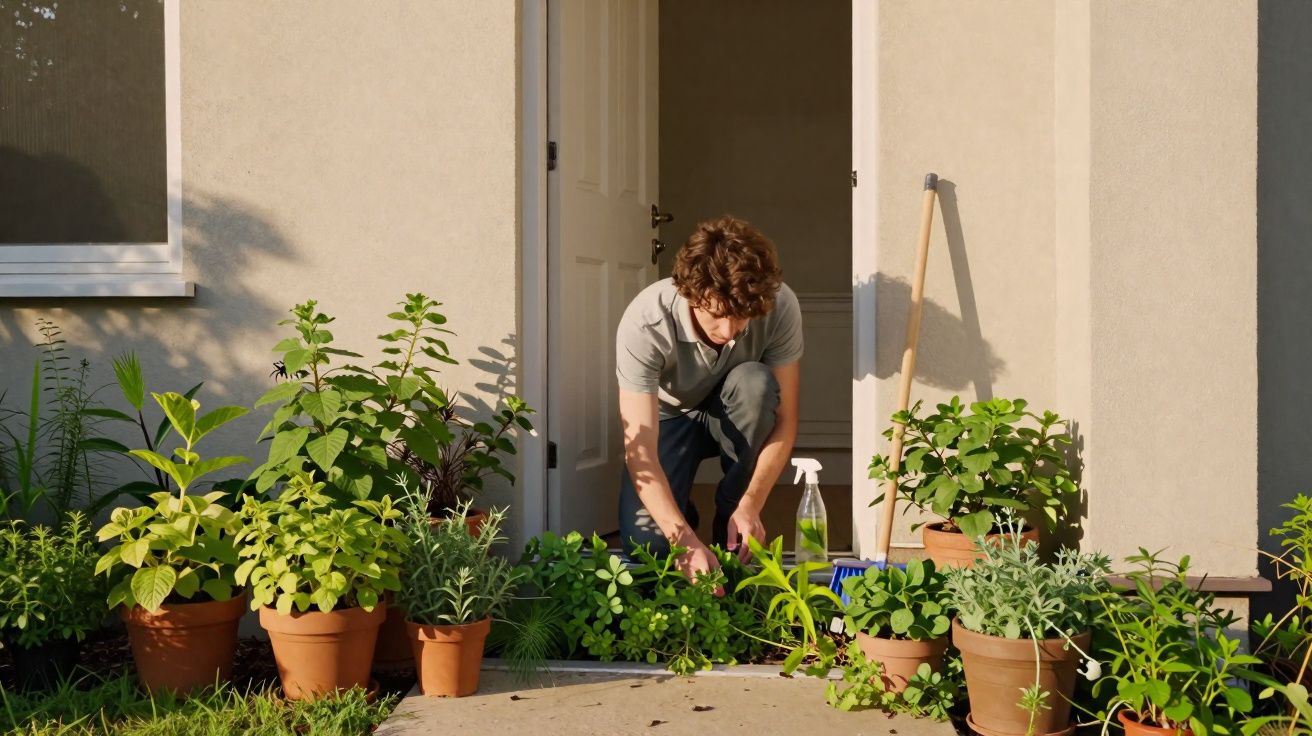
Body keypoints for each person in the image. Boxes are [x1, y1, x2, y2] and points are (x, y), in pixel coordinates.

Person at [615, 215, 801, 583]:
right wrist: (682, 540)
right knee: (648, 545)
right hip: (669, 419)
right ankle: (684, 515)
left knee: (756, 383)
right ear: (689, 292)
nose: (729, 330)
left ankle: (731, 519)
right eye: (717, 314)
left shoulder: (779, 305)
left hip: (737, 409)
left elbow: (786, 420)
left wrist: (751, 504)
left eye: (741, 317)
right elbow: (640, 452)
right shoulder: (645, 321)